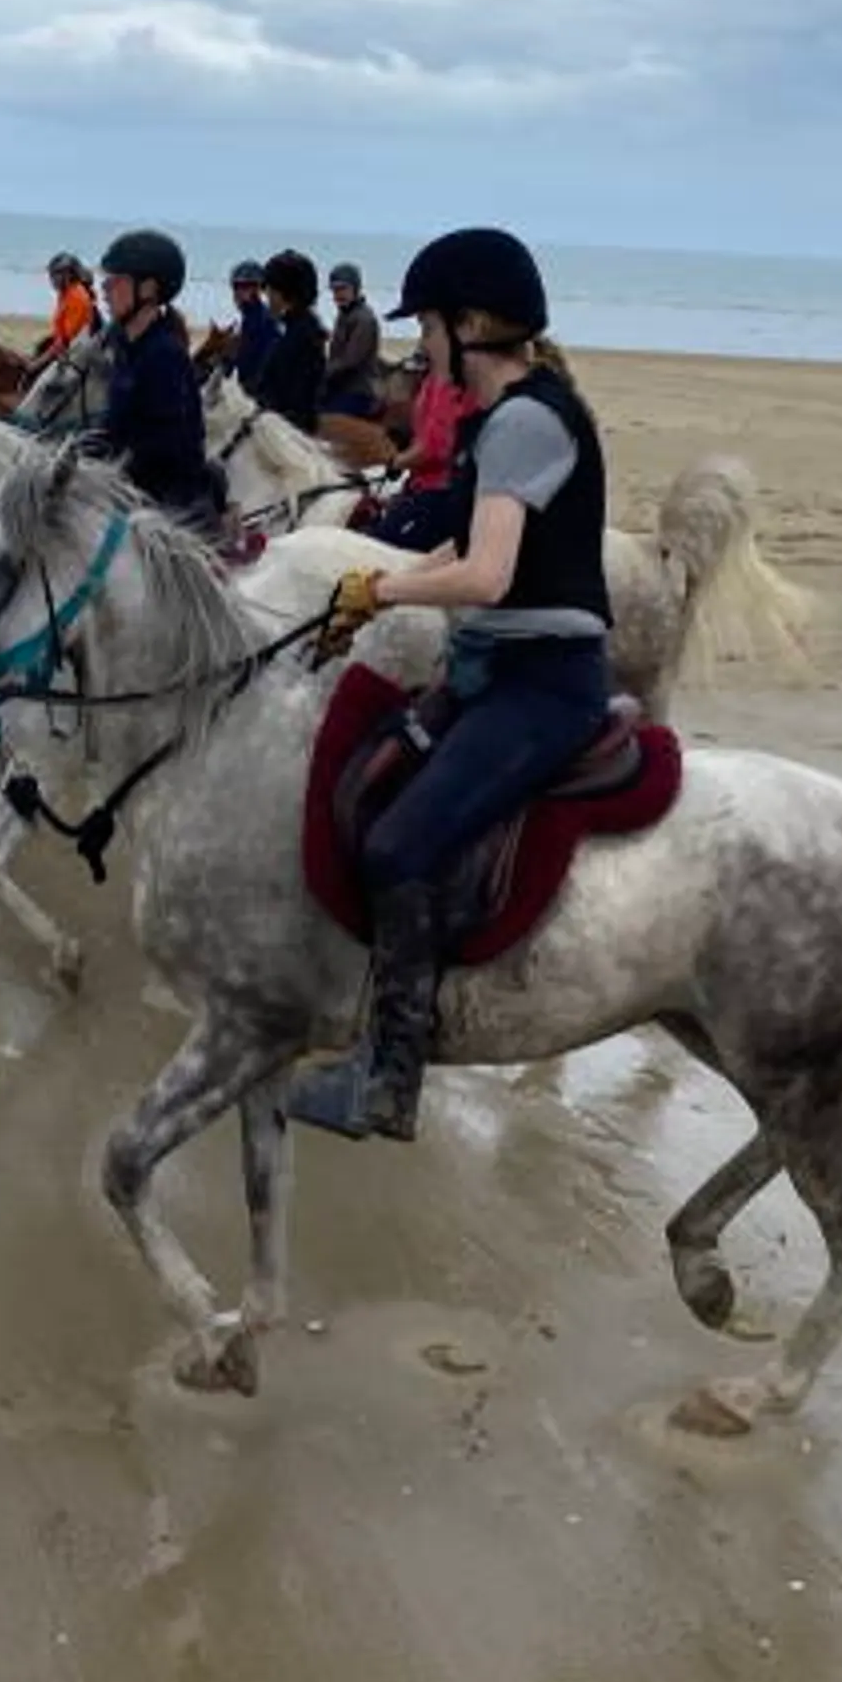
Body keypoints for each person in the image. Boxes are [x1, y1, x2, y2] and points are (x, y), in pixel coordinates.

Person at [284, 227, 612, 1144]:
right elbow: (458, 546)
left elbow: (490, 577)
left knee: (397, 846)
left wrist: (383, 589)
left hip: (541, 683)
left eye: (427, 328)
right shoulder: (507, 419)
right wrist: (365, 580)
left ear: (471, 325)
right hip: (495, 668)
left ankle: (389, 1081)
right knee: (367, 782)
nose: (422, 351)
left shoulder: (524, 420)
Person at [84, 229, 217, 528]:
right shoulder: (126, 346)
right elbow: (117, 426)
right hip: (131, 492)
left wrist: (109, 468)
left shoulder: (165, 356)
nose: (104, 288)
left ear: (149, 289)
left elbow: (167, 449)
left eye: (116, 279)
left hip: (168, 509)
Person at [365, 351, 478, 550]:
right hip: (423, 486)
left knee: (371, 549)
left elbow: (434, 447)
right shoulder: (434, 380)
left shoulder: (447, 381)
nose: (424, 342)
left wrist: (396, 462)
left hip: (438, 493)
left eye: (428, 329)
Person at [250, 249, 328, 435]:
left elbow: (289, 397)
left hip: (287, 432)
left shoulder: (299, 336)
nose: (266, 296)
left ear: (283, 293)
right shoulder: (299, 327)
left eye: (269, 290)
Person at [320, 262, 383, 419]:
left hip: (358, 390)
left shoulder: (364, 319)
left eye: (342, 289)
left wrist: (318, 372)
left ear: (355, 288)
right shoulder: (345, 314)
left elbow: (349, 362)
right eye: (334, 290)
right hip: (340, 387)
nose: (337, 295)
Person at [26, 252, 99, 377]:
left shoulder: (77, 297)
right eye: (51, 275)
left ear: (68, 275)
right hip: (68, 349)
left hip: (77, 354)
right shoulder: (65, 294)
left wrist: (38, 363)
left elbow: (66, 341)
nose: (51, 279)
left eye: (55, 275)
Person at [228, 259, 280, 394]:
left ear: (258, 289)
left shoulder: (264, 321)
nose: (239, 292)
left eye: (245, 287)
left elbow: (266, 365)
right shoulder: (250, 318)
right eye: (236, 286)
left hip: (260, 395)